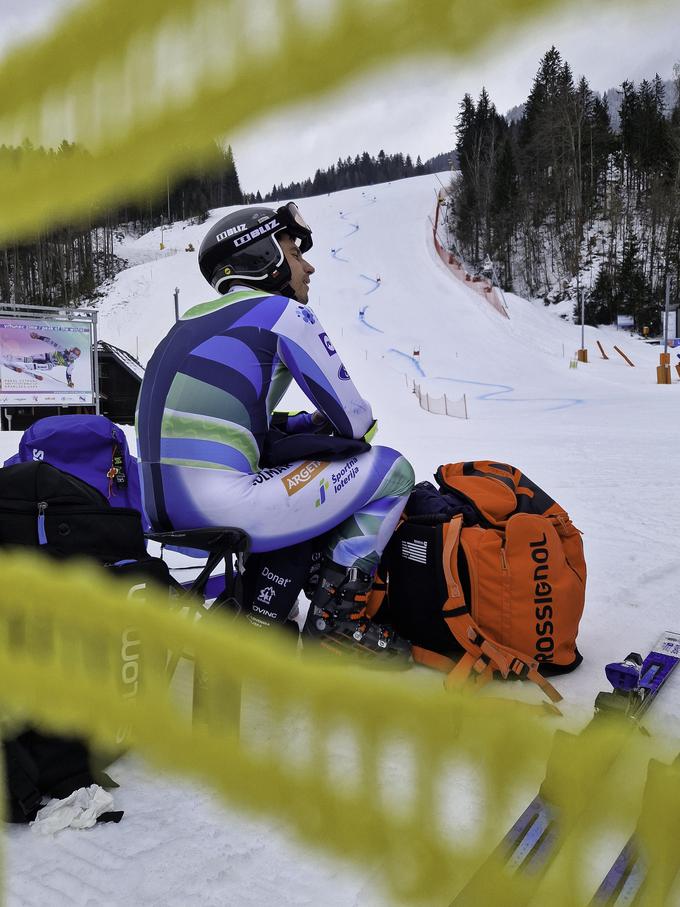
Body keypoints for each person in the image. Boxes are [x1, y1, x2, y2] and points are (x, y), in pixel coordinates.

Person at [136, 203, 414, 651]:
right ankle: (336, 623)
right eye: (294, 252)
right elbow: (356, 420)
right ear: (263, 256)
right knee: (391, 470)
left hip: (161, 512)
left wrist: (301, 426)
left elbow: (234, 421)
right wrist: (331, 434)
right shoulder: (282, 313)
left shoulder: (184, 325)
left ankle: (274, 605)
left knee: (288, 465)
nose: (309, 266)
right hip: (222, 508)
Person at [2, 333, 81, 387]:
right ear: (70, 351)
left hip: (50, 364)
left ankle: (25, 367)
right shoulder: (62, 350)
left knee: (50, 367)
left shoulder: (71, 364)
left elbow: (68, 374)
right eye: (72, 355)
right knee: (28, 359)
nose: (72, 358)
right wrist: (38, 337)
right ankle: (9, 358)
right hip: (45, 356)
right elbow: (50, 341)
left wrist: (70, 382)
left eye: (75, 357)